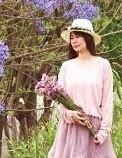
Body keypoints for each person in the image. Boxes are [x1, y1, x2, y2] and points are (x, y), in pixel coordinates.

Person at [47, 19, 117, 158]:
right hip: (70, 128)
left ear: (88, 38)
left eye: (78, 36)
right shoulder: (67, 66)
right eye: (72, 37)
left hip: (94, 128)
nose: (74, 40)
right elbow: (60, 99)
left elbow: (108, 101)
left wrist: (104, 132)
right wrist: (69, 115)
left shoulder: (102, 65)